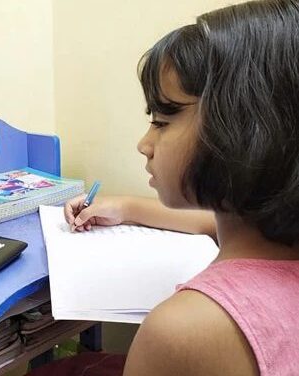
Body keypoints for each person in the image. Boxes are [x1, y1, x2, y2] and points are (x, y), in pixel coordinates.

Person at [62, 1, 299, 375]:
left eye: (162, 120)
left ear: (244, 127)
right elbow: (207, 223)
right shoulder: (272, 242)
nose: (144, 143)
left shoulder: (186, 331)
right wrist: (125, 207)